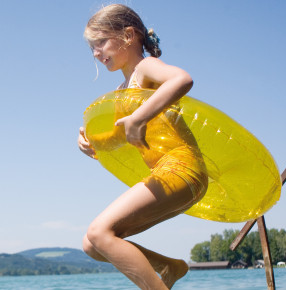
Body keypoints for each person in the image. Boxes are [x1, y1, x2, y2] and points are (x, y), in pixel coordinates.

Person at [77, 4, 208, 289]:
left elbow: (182, 79)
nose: (96, 53)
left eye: (100, 42)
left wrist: (139, 116)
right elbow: (118, 137)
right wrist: (90, 142)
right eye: (92, 48)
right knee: (92, 245)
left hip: (182, 167)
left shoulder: (145, 69)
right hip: (164, 173)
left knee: (100, 231)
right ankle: (169, 266)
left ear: (128, 35)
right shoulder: (122, 92)